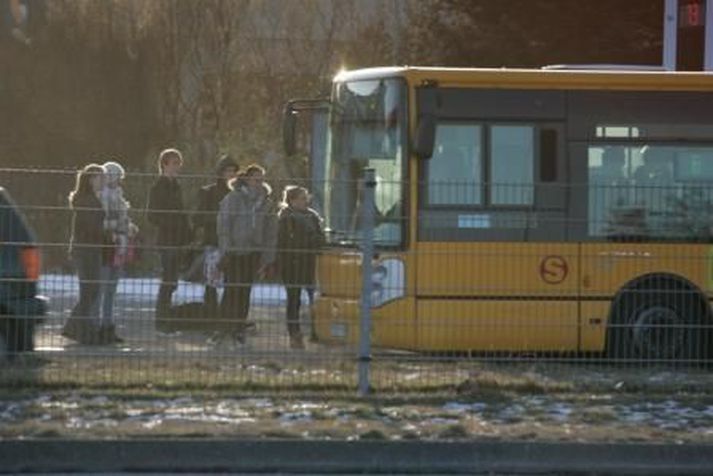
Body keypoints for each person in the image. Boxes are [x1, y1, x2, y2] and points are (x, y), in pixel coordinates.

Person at [217, 164, 277, 344]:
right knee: (231, 291)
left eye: (262, 179)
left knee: (244, 291)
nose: (259, 182)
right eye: (256, 178)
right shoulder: (233, 198)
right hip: (234, 252)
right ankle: (224, 328)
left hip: (253, 253)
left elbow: (271, 233)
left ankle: (238, 328)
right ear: (247, 179)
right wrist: (226, 250)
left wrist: (268, 260)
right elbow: (224, 225)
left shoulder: (267, 203)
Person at [146, 148, 192, 324]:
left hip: (178, 238)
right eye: (174, 163)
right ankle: (161, 319)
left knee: (172, 281)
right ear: (164, 164)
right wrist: (171, 222)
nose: (178, 166)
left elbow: (180, 211)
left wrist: (187, 231)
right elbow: (152, 215)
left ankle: (166, 317)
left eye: (179, 163)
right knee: (168, 280)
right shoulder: (158, 187)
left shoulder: (176, 186)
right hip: (166, 239)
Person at [62, 164, 106, 344]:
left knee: (90, 290)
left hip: (90, 248)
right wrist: (109, 231)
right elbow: (91, 226)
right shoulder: (87, 200)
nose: (103, 180)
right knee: (90, 290)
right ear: (90, 179)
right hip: (86, 249)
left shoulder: (91, 198)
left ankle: (78, 329)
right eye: (99, 177)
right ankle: (74, 328)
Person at [277, 186, 324, 349]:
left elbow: (320, 238)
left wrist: (316, 242)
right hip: (292, 263)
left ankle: (317, 332)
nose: (306, 201)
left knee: (315, 299)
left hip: (311, 262)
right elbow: (283, 243)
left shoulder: (313, 216)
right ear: (292, 200)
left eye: (306, 198)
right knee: (294, 300)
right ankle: (294, 334)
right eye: (302, 198)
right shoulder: (285, 218)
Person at [97, 160, 138, 344]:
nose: (118, 181)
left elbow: (123, 217)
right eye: (117, 177)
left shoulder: (119, 195)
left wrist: (129, 227)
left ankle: (108, 325)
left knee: (111, 289)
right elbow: (101, 222)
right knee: (102, 287)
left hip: (118, 244)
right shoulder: (101, 195)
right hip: (105, 245)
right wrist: (118, 226)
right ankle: (98, 326)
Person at [192, 154, 238, 313]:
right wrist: (220, 218)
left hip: (234, 244)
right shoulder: (208, 192)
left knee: (232, 284)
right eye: (227, 171)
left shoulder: (239, 194)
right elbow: (197, 217)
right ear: (220, 172)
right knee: (211, 283)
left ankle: (226, 317)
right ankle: (209, 316)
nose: (231, 174)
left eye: (234, 171)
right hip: (213, 243)